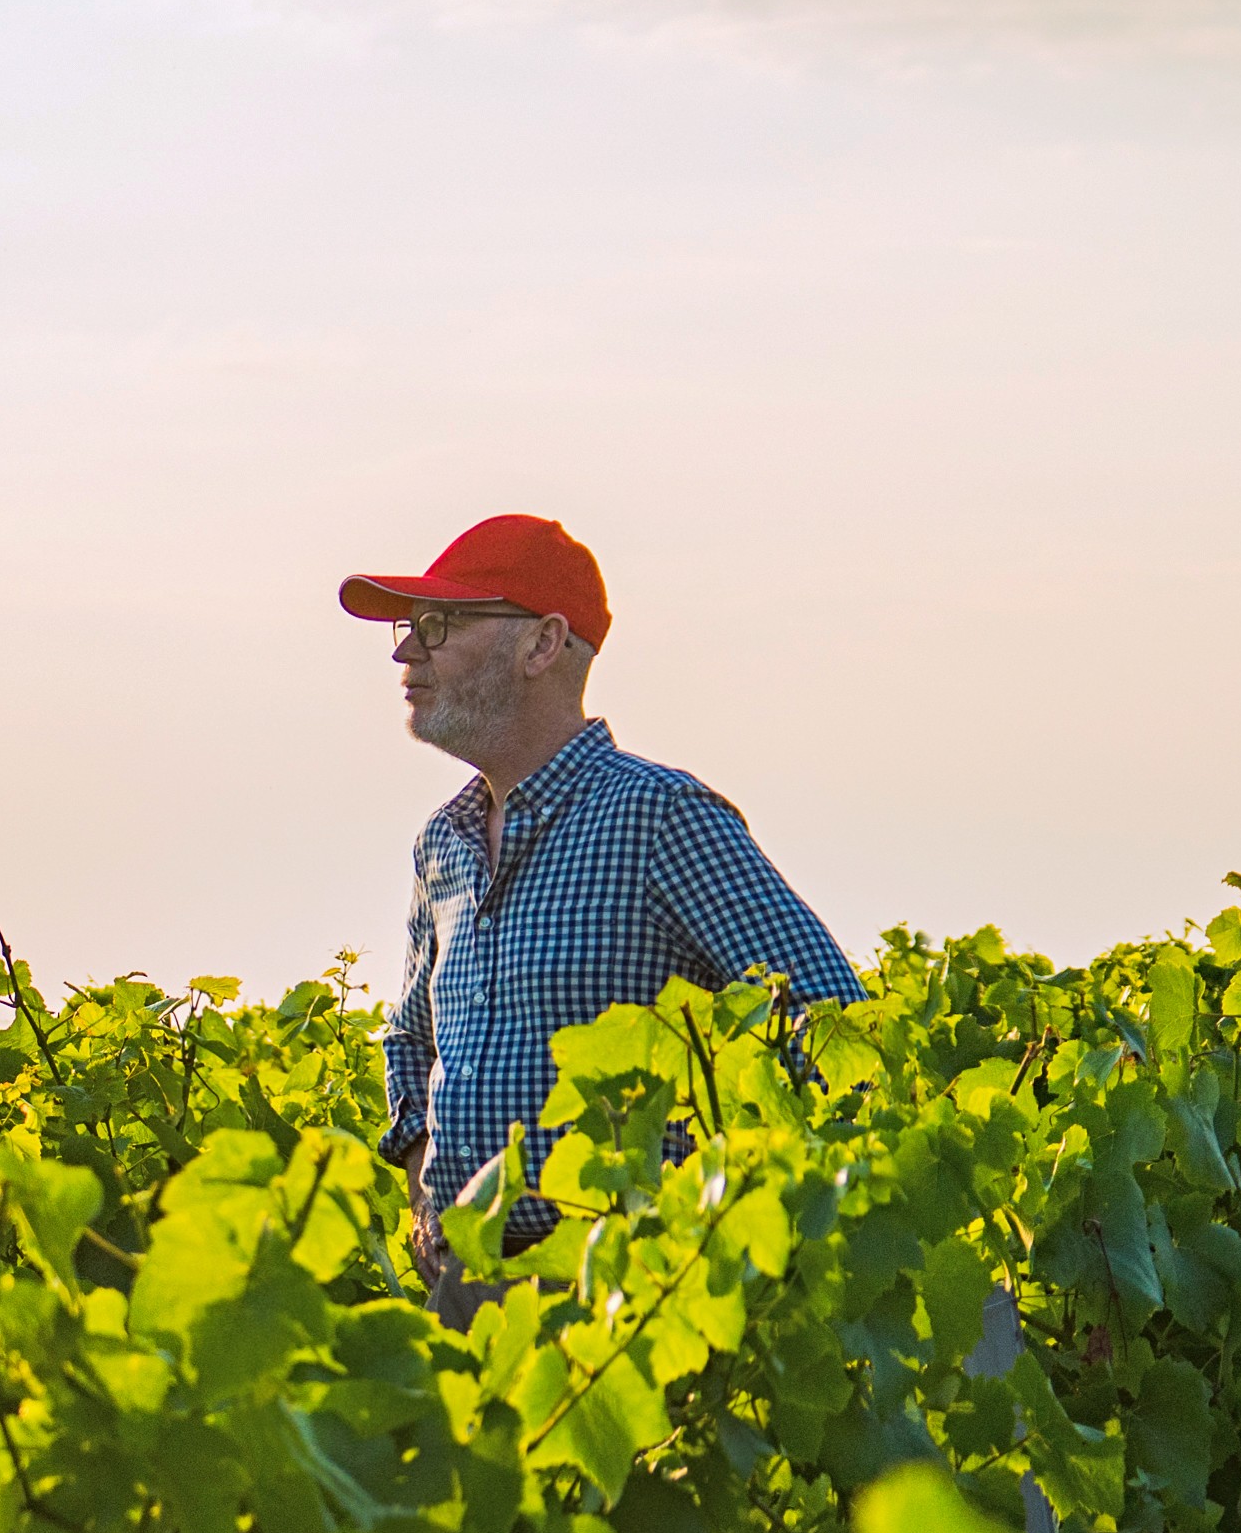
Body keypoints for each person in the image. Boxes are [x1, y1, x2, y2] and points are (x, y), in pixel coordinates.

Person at [344, 514, 861, 1311]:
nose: (405, 651)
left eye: (438, 624)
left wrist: (722, 1238)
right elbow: (412, 1038)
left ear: (541, 645)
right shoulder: (441, 845)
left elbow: (833, 1024)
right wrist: (424, 1197)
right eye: (410, 627)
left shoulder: (661, 817)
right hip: (467, 1290)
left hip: (632, 1299)